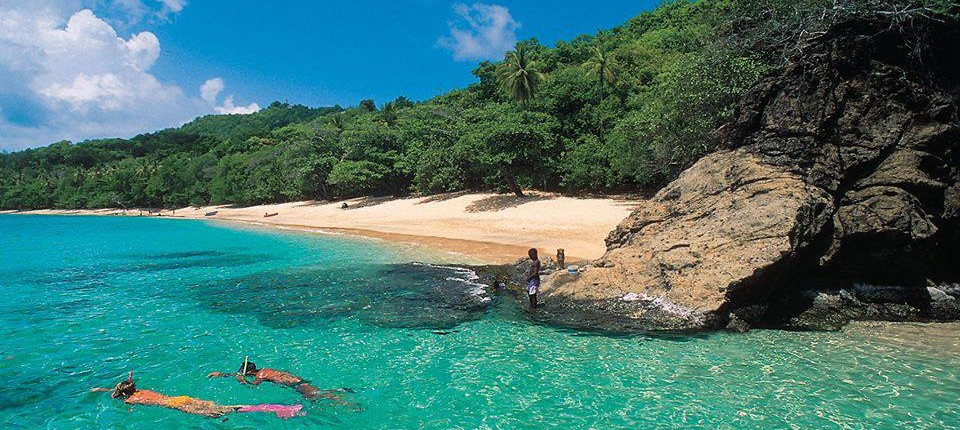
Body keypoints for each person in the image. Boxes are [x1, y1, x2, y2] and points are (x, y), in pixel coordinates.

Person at [91, 372, 303, 419]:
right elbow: (120, 391)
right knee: (220, 408)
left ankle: (278, 409)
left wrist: (110, 394)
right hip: (181, 398)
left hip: (178, 406)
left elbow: (116, 396)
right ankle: (278, 408)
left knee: (224, 411)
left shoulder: (132, 399)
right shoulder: (139, 392)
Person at [208, 360, 352, 405]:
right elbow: (240, 374)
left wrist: (242, 382)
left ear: (250, 373)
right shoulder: (263, 370)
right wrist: (221, 374)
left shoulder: (261, 375)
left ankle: (342, 397)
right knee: (315, 395)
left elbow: (253, 387)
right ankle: (341, 391)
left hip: (297, 385)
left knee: (316, 395)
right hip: (297, 382)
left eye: (245, 374)